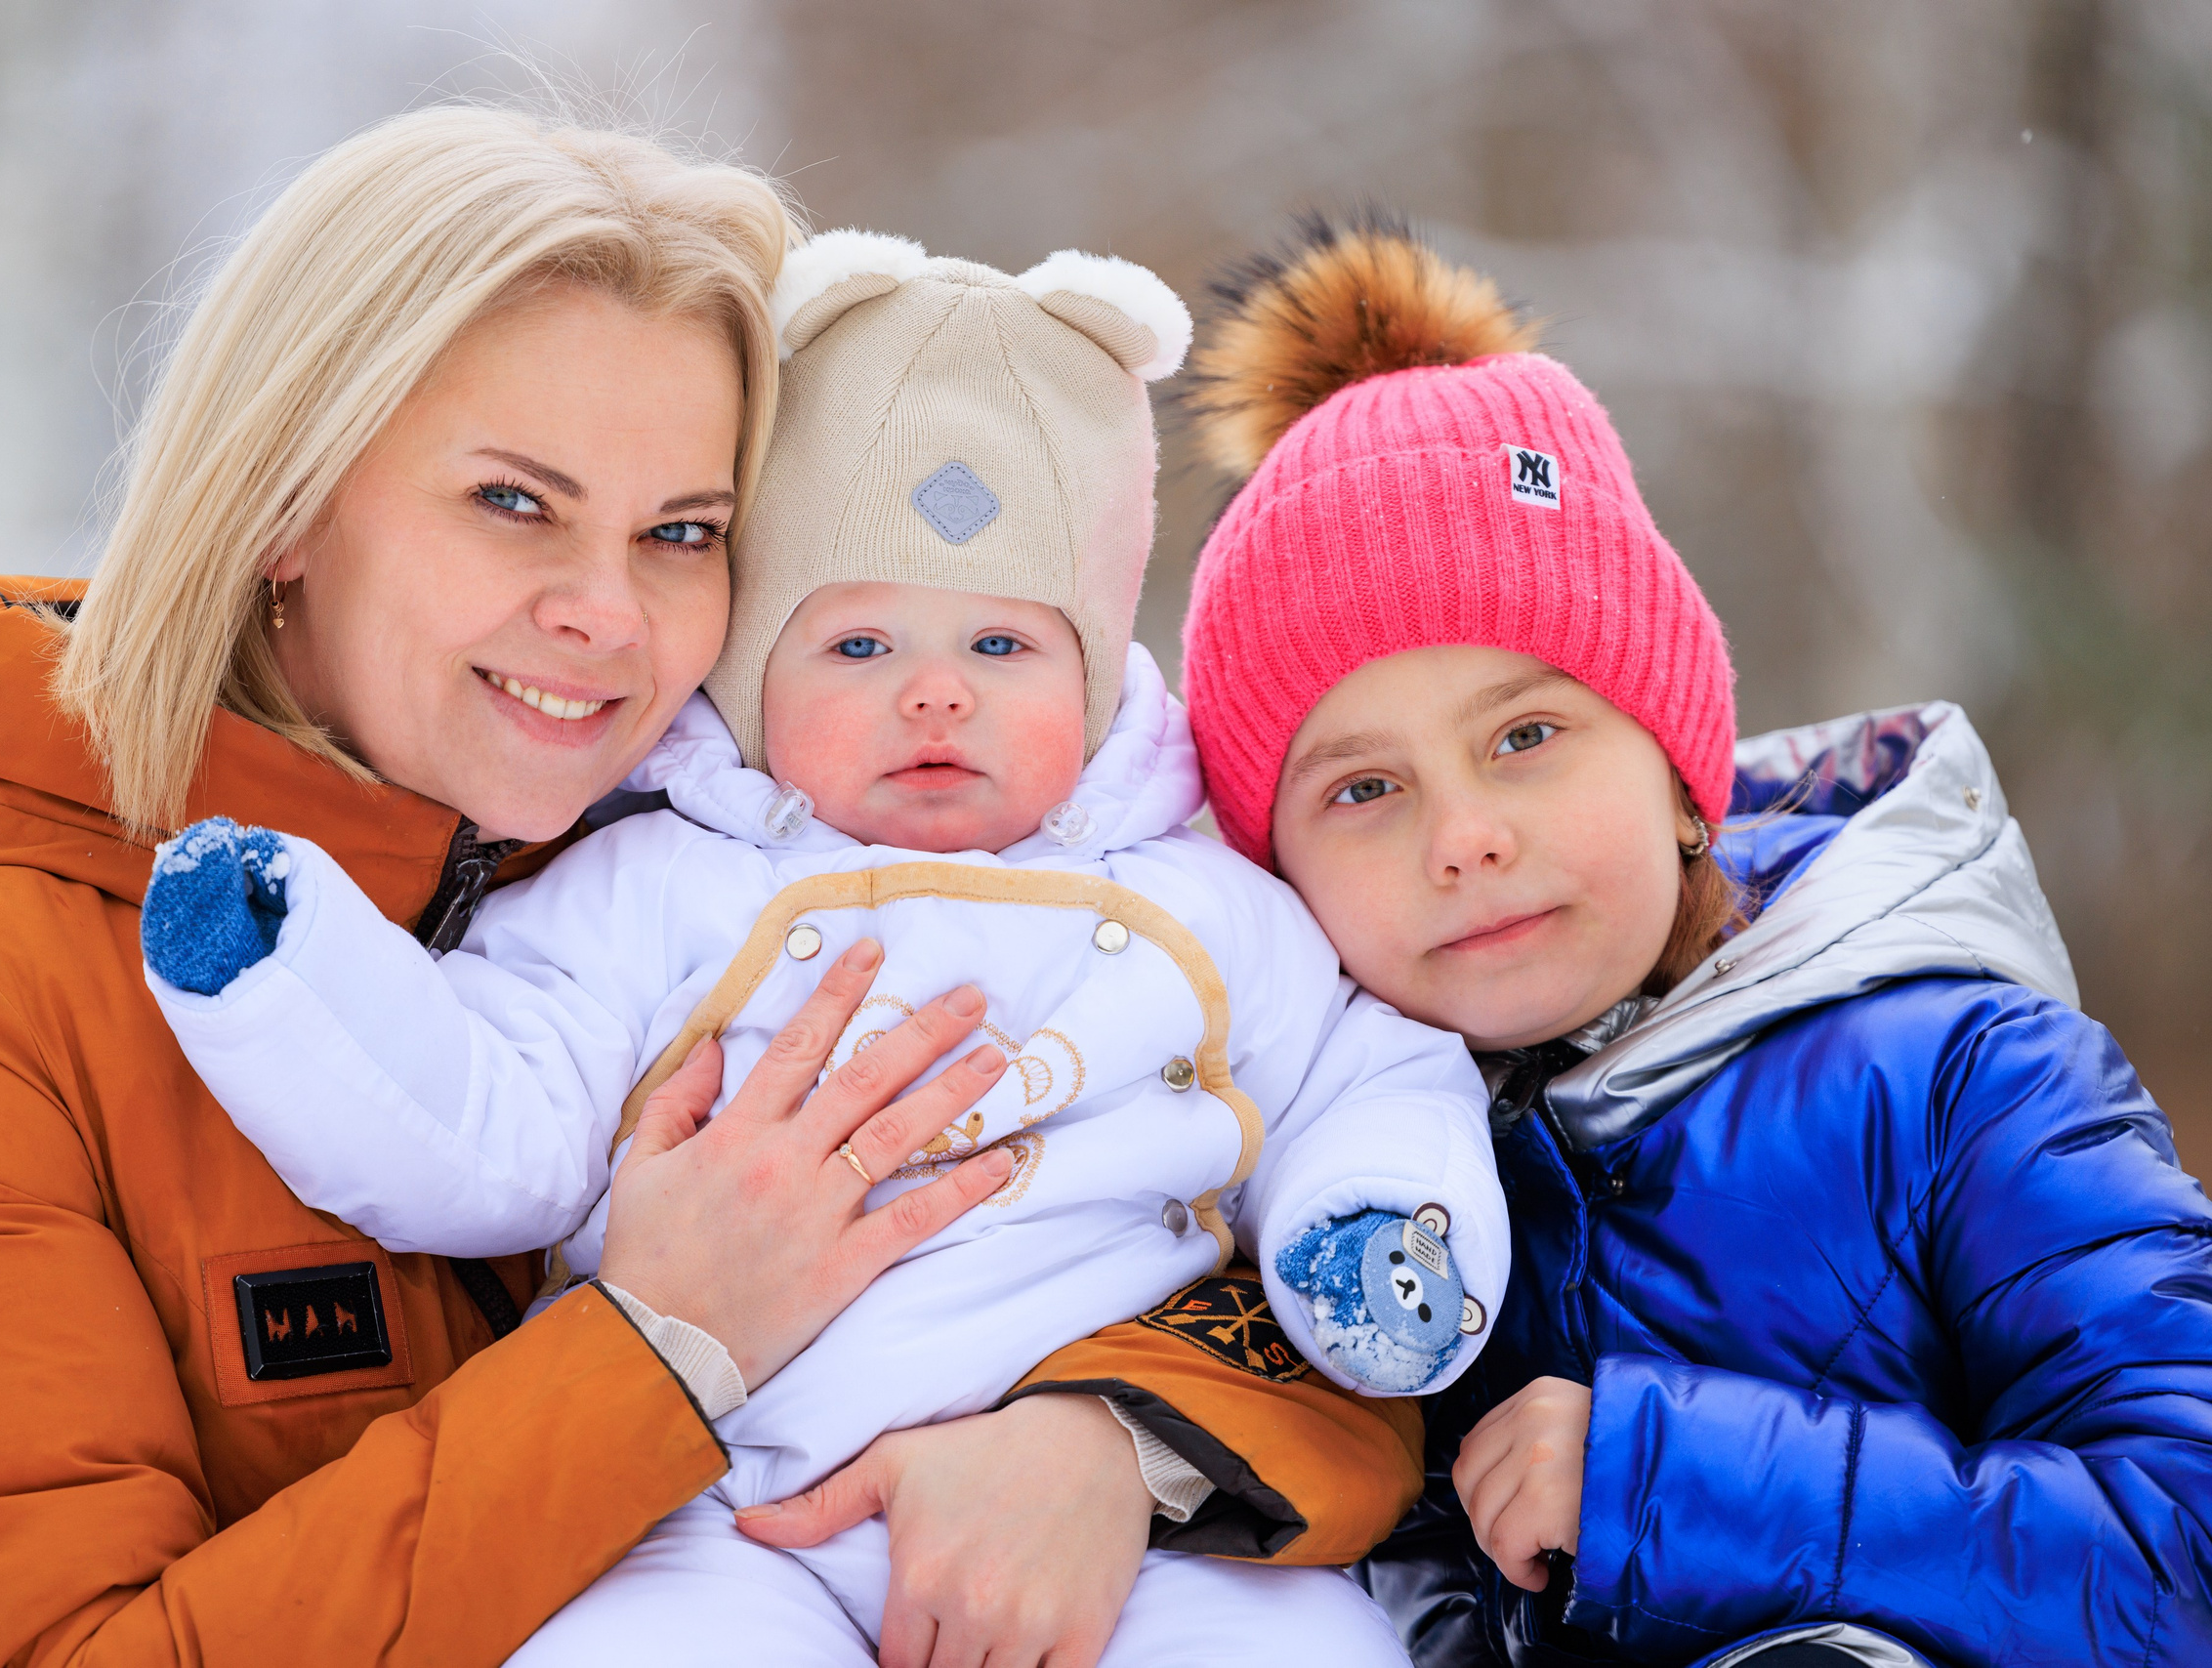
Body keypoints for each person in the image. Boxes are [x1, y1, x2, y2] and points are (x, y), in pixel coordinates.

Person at [0, 121, 1427, 1668]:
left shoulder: (764, 858)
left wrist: (1108, 1440)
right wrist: (657, 1349)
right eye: (513, 504)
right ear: (285, 504)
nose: (609, 618)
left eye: (683, 531)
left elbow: (1360, 1224)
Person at [137, 229, 1506, 1665]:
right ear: (753, 667)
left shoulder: (1209, 907)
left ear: (1099, 675)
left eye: (1002, 650)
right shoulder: (661, 885)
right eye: (859, 648)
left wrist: (1368, 1234)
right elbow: (493, 1109)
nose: (934, 700)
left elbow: (1370, 1078)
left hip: (1115, 1501)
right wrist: (288, 970)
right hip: (720, 1510)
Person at [1169, 214, 2212, 1666]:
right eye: (1363, 788)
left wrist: (1661, 1480)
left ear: (1676, 768)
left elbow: (2183, 1547)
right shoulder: (1281, 1175)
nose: (1460, 835)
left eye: (1526, 734)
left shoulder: (1964, 1075)